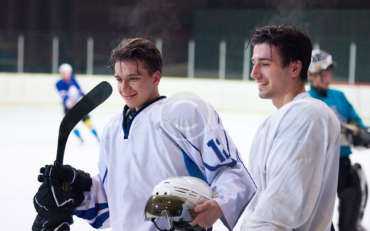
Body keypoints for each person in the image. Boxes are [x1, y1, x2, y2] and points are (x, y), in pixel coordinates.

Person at [32, 38, 256, 231]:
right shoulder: (113, 129)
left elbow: (231, 172)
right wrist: (78, 189)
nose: (124, 88)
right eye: (119, 79)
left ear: (156, 78)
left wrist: (219, 206)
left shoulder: (183, 113)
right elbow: (114, 205)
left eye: (133, 78)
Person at [242, 25, 341, 230]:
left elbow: (279, 211)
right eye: (254, 63)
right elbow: (261, 198)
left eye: (265, 64)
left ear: (294, 68)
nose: (254, 73)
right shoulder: (276, 121)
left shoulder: (307, 115)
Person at [308, 49, 369, 231]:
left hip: (341, 164)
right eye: (322, 74)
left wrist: (359, 133)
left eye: (328, 73)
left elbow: (358, 125)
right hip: (318, 167)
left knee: (355, 185)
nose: (327, 78)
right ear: (311, 75)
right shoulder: (307, 101)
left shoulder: (338, 96)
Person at [56, 63, 99, 143]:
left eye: (68, 73)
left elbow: (80, 91)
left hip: (79, 106)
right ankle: (80, 139)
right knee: (71, 125)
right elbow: (63, 96)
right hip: (68, 108)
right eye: (64, 73)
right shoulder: (59, 83)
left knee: (88, 122)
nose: (66, 75)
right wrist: (68, 102)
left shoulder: (73, 79)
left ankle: (97, 137)